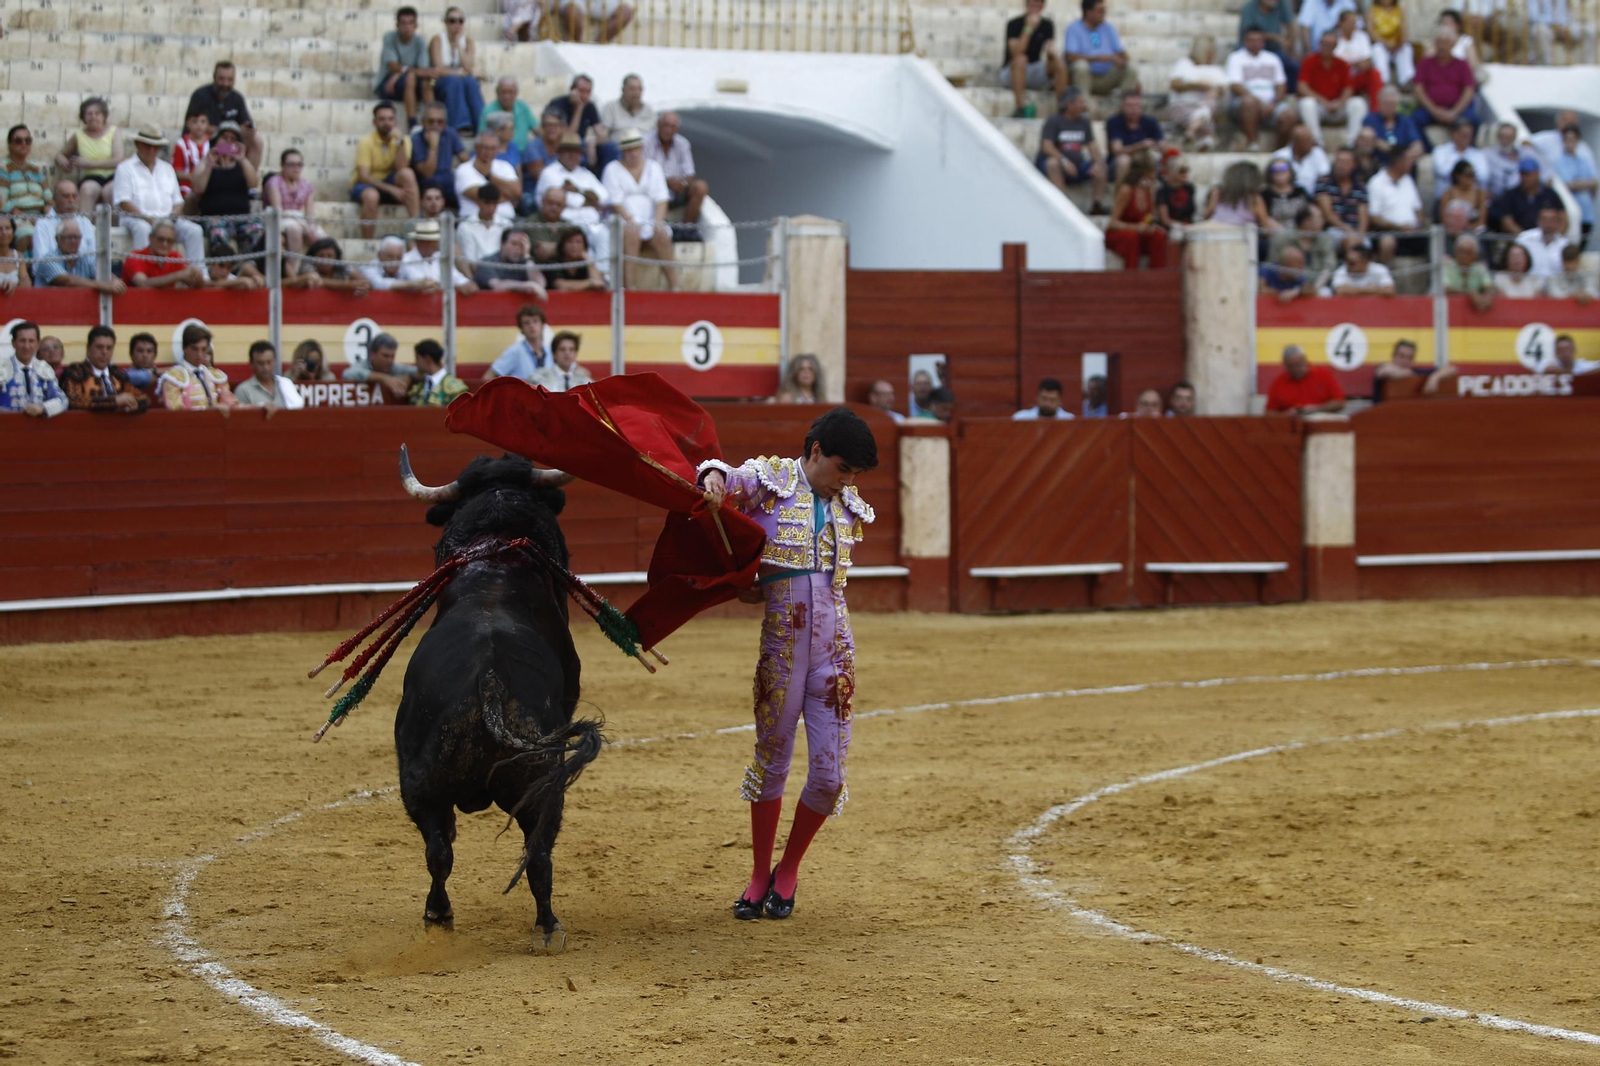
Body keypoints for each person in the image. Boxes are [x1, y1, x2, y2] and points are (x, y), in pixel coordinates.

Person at [697, 406, 878, 922]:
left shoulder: (847, 503)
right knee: (771, 761)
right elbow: (724, 476)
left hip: (834, 651)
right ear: (816, 450)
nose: (846, 482)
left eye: (854, 475)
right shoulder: (772, 480)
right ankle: (759, 876)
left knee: (829, 776)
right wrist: (711, 476)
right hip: (782, 646)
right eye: (843, 469)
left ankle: (789, 868)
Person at [113, 127, 204, 264]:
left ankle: (198, 271)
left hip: (167, 220)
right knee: (143, 228)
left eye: (155, 147)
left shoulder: (167, 168)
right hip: (137, 219)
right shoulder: (125, 168)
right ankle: (143, 271)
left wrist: (170, 219)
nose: (151, 150)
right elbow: (124, 202)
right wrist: (151, 220)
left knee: (194, 230)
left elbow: (178, 201)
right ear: (138, 144)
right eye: (147, 146)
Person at [604, 129, 675, 290]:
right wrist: (629, 219)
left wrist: (658, 221)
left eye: (636, 149)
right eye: (629, 149)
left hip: (650, 217)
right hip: (623, 218)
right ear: (623, 151)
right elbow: (615, 200)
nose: (633, 153)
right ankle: (629, 286)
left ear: (641, 149)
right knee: (631, 233)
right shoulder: (612, 168)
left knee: (662, 234)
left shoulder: (653, 167)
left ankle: (675, 286)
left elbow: (661, 198)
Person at [534, 133, 612, 263]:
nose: (573, 155)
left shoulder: (585, 173)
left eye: (576, 152)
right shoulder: (549, 172)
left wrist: (578, 190)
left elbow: (604, 198)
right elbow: (571, 201)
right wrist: (590, 199)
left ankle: (605, 277)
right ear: (560, 152)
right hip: (566, 226)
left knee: (605, 236)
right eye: (568, 151)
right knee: (585, 250)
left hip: (592, 225)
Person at [192, 121, 264, 254]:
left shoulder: (242, 163)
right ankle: (221, 271)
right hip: (214, 217)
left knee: (257, 229)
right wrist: (210, 165)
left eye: (233, 139)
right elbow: (198, 188)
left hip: (241, 217)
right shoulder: (206, 162)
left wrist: (242, 159)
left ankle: (253, 267)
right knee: (218, 232)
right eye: (225, 137)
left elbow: (253, 183)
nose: (228, 141)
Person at [351, 102, 421, 238]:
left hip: (389, 180)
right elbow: (363, 176)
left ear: (395, 121)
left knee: (408, 174)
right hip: (366, 185)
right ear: (374, 122)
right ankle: (367, 243)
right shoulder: (366, 141)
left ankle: (415, 225)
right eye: (382, 119)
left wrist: (400, 142)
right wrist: (390, 189)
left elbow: (402, 167)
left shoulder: (403, 140)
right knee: (372, 196)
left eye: (390, 119)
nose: (387, 123)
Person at [1036, 88, 1108, 211]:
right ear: (1069, 104)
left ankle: (1097, 204)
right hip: (1058, 164)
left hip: (1077, 165)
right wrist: (1064, 161)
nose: (1084, 106)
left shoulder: (1084, 122)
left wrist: (1098, 163)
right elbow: (1047, 146)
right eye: (1081, 102)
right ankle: (1061, 203)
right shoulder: (1054, 121)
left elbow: (1092, 145)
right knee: (1052, 163)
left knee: (1101, 166)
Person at [1224, 30, 1295, 151]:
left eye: (1258, 40)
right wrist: (1259, 103)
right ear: (1245, 42)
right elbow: (1235, 85)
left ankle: (1280, 150)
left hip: (1271, 104)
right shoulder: (1235, 57)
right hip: (1244, 103)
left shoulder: (1273, 58)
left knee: (1290, 116)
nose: (1255, 43)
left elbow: (1281, 85)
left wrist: (1273, 104)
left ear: (1263, 42)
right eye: (1251, 40)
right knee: (1249, 103)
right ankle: (1253, 143)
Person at [187, 61, 263, 168]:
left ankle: (248, 180)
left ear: (234, 80)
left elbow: (245, 125)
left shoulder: (237, 98)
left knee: (257, 140)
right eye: (221, 79)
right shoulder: (200, 96)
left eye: (229, 79)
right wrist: (227, 131)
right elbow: (194, 126)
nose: (225, 84)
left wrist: (249, 130)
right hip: (207, 144)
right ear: (214, 78)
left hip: (229, 145)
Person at [1298, 30, 1366, 148]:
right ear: (1319, 44)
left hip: (1337, 105)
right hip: (1319, 105)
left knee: (1359, 103)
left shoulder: (1343, 64)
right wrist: (1324, 102)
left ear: (1336, 46)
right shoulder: (1309, 61)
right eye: (1325, 44)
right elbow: (1302, 87)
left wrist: (1340, 103)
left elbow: (1348, 89)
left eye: (1331, 44)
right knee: (1306, 104)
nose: (1327, 47)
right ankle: (1316, 142)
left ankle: (1351, 144)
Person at [54, 97, 124, 210]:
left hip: (113, 176)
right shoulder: (78, 135)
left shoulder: (114, 132)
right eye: (89, 114)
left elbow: (118, 160)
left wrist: (89, 164)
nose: (93, 117)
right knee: (87, 190)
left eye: (97, 113)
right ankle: (86, 224)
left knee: (110, 191)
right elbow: (60, 154)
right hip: (91, 177)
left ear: (104, 116)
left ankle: (114, 227)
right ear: (84, 117)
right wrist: (62, 160)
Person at [1000, 0, 1067, 117]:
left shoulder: (1047, 25)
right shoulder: (1014, 24)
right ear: (1026, 3)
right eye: (1032, 2)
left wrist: (1051, 53)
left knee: (1059, 63)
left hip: (1033, 70)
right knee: (1021, 59)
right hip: (1011, 71)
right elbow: (1016, 52)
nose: (1035, 5)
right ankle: (1020, 107)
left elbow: (1049, 49)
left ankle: (1063, 109)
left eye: (1038, 2)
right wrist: (1028, 29)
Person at [645, 112, 710, 232]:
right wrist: (666, 182)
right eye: (666, 125)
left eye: (673, 126)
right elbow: (644, 173)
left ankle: (685, 229)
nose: (669, 130)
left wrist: (682, 183)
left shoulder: (683, 143)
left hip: (678, 191)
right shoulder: (646, 142)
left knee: (700, 187)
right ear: (658, 125)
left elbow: (690, 173)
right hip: (653, 191)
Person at [376, 6, 438, 125]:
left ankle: (432, 120)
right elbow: (393, 66)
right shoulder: (389, 37)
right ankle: (412, 122)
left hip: (407, 82)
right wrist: (399, 73)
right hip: (389, 85)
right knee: (411, 77)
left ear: (416, 25)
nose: (407, 27)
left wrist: (399, 73)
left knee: (428, 81)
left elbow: (424, 70)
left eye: (410, 23)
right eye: (403, 23)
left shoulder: (420, 41)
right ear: (397, 25)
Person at [1414, 30, 1477, 145]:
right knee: (1414, 121)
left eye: (1445, 42)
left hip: (1456, 109)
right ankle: (1429, 150)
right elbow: (1418, 89)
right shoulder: (1425, 63)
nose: (1442, 46)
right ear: (1435, 44)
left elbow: (1469, 90)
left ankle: (1469, 152)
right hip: (1431, 109)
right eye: (1439, 42)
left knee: (1474, 120)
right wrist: (1434, 110)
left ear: (1452, 44)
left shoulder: (1462, 65)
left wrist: (1454, 112)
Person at [1064, 0, 1138, 98]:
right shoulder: (1074, 28)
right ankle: (1083, 107)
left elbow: (1122, 52)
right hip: (1086, 77)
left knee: (1131, 69)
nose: (1104, 14)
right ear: (1088, 12)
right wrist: (1098, 58)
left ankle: (1124, 107)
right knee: (1081, 67)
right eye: (1100, 11)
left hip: (1107, 75)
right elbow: (1070, 56)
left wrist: (1121, 60)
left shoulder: (1108, 28)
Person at [546, 74, 618, 175]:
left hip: (582, 144)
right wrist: (579, 108)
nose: (584, 95)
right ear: (572, 90)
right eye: (581, 91)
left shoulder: (590, 106)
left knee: (611, 147)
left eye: (588, 92)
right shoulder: (558, 104)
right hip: (564, 145)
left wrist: (593, 143)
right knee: (580, 151)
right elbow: (569, 136)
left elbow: (602, 135)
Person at [1105, 153, 1167, 269]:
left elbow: (1148, 217)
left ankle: (1156, 275)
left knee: (1158, 235)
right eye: (1153, 170)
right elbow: (1112, 223)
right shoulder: (1126, 190)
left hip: (1139, 232)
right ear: (1145, 172)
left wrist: (1150, 226)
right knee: (1131, 237)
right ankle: (1131, 274)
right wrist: (1135, 227)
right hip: (1122, 233)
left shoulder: (1149, 189)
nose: (1156, 173)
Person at [1167, 36, 1227, 152]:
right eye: (1211, 51)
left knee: (1211, 98)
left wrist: (1211, 89)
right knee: (1206, 121)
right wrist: (1199, 85)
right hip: (1183, 106)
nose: (1213, 54)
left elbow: (1221, 91)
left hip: (1207, 107)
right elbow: (1175, 85)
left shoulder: (1215, 69)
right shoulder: (1184, 64)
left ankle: (1191, 131)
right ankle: (1202, 137)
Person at [32, 219, 125, 295]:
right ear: (58, 239)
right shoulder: (48, 260)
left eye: (77, 237)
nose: (74, 241)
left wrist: (114, 280)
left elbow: (103, 274)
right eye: (69, 237)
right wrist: (101, 285)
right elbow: (67, 281)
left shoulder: (86, 258)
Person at [430, 7, 485, 133]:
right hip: (441, 82)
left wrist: (459, 45)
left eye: (460, 21)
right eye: (452, 21)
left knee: (471, 82)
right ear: (446, 23)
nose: (457, 24)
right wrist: (458, 73)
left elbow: (468, 67)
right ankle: (460, 124)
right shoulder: (437, 40)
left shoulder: (468, 41)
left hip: (461, 79)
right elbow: (438, 69)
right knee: (455, 81)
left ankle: (481, 124)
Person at [1367, 144, 1427, 260]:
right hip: (1388, 232)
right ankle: (1383, 276)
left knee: (1436, 237)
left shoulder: (1408, 180)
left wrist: (1419, 223)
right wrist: (1399, 227)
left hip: (1412, 233)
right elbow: (1373, 217)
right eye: (1409, 159)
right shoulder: (1376, 182)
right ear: (1398, 161)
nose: (1412, 163)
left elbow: (1418, 209)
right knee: (1387, 242)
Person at [412, 102, 472, 212]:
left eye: (440, 122)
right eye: (431, 121)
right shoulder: (416, 139)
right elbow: (427, 173)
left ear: (445, 123)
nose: (435, 125)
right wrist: (433, 147)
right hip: (427, 183)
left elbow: (464, 159)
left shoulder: (450, 133)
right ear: (423, 122)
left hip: (449, 183)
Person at [160, 324, 237, 410]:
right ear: (184, 348)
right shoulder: (174, 378)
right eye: (194, 349)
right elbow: (176, 411)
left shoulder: (215, 376)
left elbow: (231, 404)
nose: (199, 354)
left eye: (203, 349)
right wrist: (210, 410)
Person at [1, 321, 68, 417]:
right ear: (13, 343)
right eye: (22, 341)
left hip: (37, 430)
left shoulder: (44, 369)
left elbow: (63, 400)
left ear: (37, 344)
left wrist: (43, 408)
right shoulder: (2, 367)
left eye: (31, 341)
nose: (27, 346)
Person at [264, 149, 326, 254]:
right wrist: (303, 225)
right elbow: (278, 211)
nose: (296, 168)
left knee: (322, 237)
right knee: (294, 229)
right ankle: (293, 267)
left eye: (299, 165)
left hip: (299, 220)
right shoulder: (274, 182)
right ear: (283, 165)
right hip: (279, 220)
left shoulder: (307, 185)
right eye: (291, 165)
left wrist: (310, 227)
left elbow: (310, 213)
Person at [457, 131, 522, 225]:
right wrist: (508, 194)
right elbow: (482, 196)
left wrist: (489, 176)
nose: (489, 152)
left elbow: (517, 192)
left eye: (493, 148)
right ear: (476, 148)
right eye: (485, 148)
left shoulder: (505, 166)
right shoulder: (464, 169)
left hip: (506, 222)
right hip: (474, 222)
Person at [0, 124, 47, 250]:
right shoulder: (3, 168)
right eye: (18, 140)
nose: (24, 144)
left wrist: (49, 217)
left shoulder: (36, 169)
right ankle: (27, 270)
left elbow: (48, 197)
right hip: (15, 217)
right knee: (28, 235)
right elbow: (2, 202)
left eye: (28, 140)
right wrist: (27, 217)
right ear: (10, 144)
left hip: (40, 217)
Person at [1236, 0, 1300, 92]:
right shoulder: (1249, 7)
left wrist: (1290, 45)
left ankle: (1288, 95)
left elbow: (1290, 25)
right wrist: (1276, 38)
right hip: (1251, 46)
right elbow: (1250, 35)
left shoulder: (1281, 3)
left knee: (1293, 66)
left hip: (1274, 48)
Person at [400, 219, 478, 292]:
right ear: (417, 241)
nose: (431, 244)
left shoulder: (442, 259)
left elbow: (465, 284)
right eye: (426, 241)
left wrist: (464, 286)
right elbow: (425, 286)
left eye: (433, 241)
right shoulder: (406, 260)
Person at [1490, 157, 1563, 236]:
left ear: (1537, 174)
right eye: (1522, 174)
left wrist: (1555, 237)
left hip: (1548, 238)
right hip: (1519, 240)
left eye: (1528, 174)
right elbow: (1506, 221)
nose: (1525, 178)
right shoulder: (1510, 195)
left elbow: (1563, 217)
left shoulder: (1549, 194)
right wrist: (1525, 237)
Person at [1105, 91, 1166, 183]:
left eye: (1137, 105)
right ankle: (1120, 193)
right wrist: (1140, 146)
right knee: (1123, 160)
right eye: (1129, 105)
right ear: (1122, 107)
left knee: (1155, 159)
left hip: (1144, 160)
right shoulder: (1114, 122)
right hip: (1117, 164)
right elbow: (1117, 150)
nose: (1133, 109)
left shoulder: (1150, 122)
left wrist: (1156, 146)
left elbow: (1162, 145)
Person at [124, 220, 205, 289]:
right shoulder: (135, 257)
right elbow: (142, 283)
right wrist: (177, 276)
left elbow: (195, 283)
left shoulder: (175, 257)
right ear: (150, 238)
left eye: (169, 241)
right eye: (160, 239)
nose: (165, 244)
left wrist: (196, 275)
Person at [1266, 344, 1345, 413]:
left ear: (1305, 360)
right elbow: (1269, 413)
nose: (1296, 369)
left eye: (1299, 365)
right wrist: (1287, 415)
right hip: (1291, 425)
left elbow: (1339, 403)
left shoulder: (1323, 375)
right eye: (1291, 367)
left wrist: (1316, 409)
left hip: (1321, 422)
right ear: (1285, 365)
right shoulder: (1279, 383)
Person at [1316, 148, 1369, 249]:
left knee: (1365, 245)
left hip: (1356, 231)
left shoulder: (1360, 187)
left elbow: (1363, 216)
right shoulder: (1324, 182)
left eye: (1345, 162)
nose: (1340, 165)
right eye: (1338, 161)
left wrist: (1360, 235)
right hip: (1333, 230)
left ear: (1354, 165)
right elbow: (1328, 214)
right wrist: (1348, 230)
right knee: (1348, 243)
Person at [32, 180, 96, 264]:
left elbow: (93, 258)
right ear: (55, 199)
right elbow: (41, 263)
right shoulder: (43, 225)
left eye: (74, 196)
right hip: (53, 275)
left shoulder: (85, 222)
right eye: (66, 196)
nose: (71, 200)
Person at [1373, 338, 1457, 399]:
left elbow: (1451, 369)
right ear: (1393, 356)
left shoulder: (1416, 372)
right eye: (1402, 356)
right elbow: (1384, 372)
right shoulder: (1383, 368)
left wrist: (1434, 378)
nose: (1405, 361)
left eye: (1410, 358)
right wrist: (1406, 374)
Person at [474, 228, 549, 297]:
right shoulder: (488, 262)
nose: (517, 248)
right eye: (514, 244)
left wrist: (527, 257)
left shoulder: (524, 262)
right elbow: (497, 286)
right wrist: (528, 285)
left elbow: (540, 284)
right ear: (502, 244)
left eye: (521, 245)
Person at [484, 304, 550, 381]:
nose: (532, 326)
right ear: (521, 329)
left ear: (543, 325)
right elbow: (488, 377)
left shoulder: (550, 351)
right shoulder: (514, 351)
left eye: (535, 321)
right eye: (527, 323)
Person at [1554, 126, 1596, 245]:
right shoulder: (1559, 161)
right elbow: (1567, 185)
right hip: (1568, 214)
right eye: (1567, 139)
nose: (1570, 142)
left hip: (1586, 213)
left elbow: (1595, 182)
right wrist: (1585, 184)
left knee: (1583, 244)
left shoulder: (1584, 160)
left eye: (1573, 139)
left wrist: (1578, 184)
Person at [1362, 87, 1423, 169]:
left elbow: (1417, 145)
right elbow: (1366, 138)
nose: (1389, 107)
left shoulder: (1405, 121)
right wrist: (1377, 143)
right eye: (1386, 103)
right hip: (1378, 162)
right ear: (1379, 103)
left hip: (1402, 164)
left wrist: (1406, 155)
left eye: (1392, 104)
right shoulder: (1370, 120)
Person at [234, 340, 306, 409]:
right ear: (251, 364)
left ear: (274, 361)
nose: (266, 367)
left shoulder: (285, 385)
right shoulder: (243, 390)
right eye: (260, 363)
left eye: (269, 362)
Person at [287, 237, 373, 295]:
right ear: (314, 257)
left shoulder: (341, 265)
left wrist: (362, 287)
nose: (325, 260)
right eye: (321, 256)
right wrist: (350, 285)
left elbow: (365, 282)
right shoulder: (308, 264)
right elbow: (318, 281)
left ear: (336, 257)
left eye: (330, 256)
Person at [343, 333, 416, 400]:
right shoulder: (363, 365)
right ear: (372, 354)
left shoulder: (395, 367)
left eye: (392, 356)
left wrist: (408, 377)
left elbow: (417, 371)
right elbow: (348, 373)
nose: (390, 360)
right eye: (385, 356)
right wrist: (384, 378)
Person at [1332, 10, 1380, 109]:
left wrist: (1350, 64)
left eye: (1355, 22)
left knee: (1374, 74)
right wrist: (1357, 63)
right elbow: (1335, 64)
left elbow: (1368, 62)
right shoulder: (1334, 38)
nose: (1353, 25)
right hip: (1339, 79)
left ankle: (1375, 110)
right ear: (1341, 23)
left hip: (1357, 77)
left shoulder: (1362, 36)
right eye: (1350, 22)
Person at [1205, 160, 1271, 227]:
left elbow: (1207, 214)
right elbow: (1265, 224)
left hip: (1216, 231)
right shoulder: (1254, 199)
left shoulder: (1217, 192)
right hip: (1239, 234)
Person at [1271, 125, 1331, 196]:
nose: (1312, 142)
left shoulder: (1318, 153)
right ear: (1297, 142)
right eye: (1308, 140)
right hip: (1288, 196)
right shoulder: (1280, 156)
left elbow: (1325, 176)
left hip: (1314, 197)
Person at [543, 226, 608, 291]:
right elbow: (560, 285)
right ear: (562, 245)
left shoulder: (585, 263)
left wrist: (588, 260)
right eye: (570, 242)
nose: (574, 246)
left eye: (578, 242)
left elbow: (599, 283)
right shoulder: (553, 262)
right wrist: (590, 283)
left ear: (584, 246)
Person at [457, 184, 509, 264]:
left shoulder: (506, 225)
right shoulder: (465, 226)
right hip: (477, 271)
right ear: (478, 202)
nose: (491, 208)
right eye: (487, 203)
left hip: (502, 271)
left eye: (494, 203)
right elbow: (470, 260)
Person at [1367, 0, 1414, 89]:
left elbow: (1404, 29)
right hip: (1381, 43)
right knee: (1377, 49)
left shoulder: (1399, 10)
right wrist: (1384, 42)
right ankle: (1384, 81)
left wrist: (1401, 41)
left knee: (1406, 48)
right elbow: (1371, 32)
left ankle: (1406, 80)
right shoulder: (1372, 10)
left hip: (1396, 45)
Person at [481, 76, 539, 147]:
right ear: (497, 93)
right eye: (503, 92)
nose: (507, 96)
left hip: (524, 154)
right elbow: (482, 138)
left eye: (510, 92)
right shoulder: (488, 111)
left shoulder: (522, 107)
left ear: (516, 93)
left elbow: (537, 129)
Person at [408, 339, 468, 406]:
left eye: (417, 358)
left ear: (428, 359)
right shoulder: (420, 387)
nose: (416, 363)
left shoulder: (454, 388)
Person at [1444, 234, 1495, 310]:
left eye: (1468, 252)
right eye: (1461, 251)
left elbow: (1489, 286)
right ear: (1455, 252)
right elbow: (1446, 289)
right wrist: (1470, 293)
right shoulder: (1447, 267)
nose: (1464, 255)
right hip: (1448, 309)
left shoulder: (1480, 268)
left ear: (1475, 255)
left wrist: (1488, 297)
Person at [1515, 205, 1569, 277]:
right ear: (1538, 221)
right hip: (1529, 284)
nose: (1548, 223)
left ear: (1558, 222)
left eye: (1552, 220)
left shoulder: (1565, 244)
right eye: (1544, 219)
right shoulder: (1524, 239)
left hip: (1556, 285)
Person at [1261, 157, 1310, 236]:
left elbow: (1309, 213)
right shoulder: (1264, 193)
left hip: (1300, 233)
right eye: (1274, 169)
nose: (1279, 171)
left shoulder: (1300, 192)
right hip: (1273, 234)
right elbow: (1264, 218)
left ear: (1290, 172)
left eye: (1283, 168)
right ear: (1269, 173)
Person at [1485, 122, 1534, 200]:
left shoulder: (1525, 153)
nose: (1505, 141)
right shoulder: (1487, 155)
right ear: (1497, 137)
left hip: (1523, 197)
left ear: (1514, 138)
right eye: (1502, 136)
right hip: (1498, 198)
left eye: (1509, 137)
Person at [173, 109, 211, 204]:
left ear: (207, 124)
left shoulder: (212, 143)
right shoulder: (181, 144)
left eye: (203, 122)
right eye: (195, 122)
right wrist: (194, 177)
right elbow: (177, 171)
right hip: (187, 185)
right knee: (190, 197)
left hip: (209, 183)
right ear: (188, 124)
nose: (199, 125)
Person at [602, 74, 657, 138]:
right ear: (623, 90)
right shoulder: (611, 107)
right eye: (632, 89)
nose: (636, 93)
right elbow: (603, 134)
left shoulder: (649, 110)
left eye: (639, 89)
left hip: (644, 146)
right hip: (619, 146)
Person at [1438, 160, 1488, 229]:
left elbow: (1482, 221)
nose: (1472, 178)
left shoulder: (1480, 194)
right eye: (1468, 175)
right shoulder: (1448, 194)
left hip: (1473, 232)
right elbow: (1443, 219)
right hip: (1452, 231)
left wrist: (1467, 229)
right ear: (1458, 176)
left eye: (1473, 174)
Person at [1330, 242, 1395, 294]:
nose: (1347, 265)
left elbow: (1389, 290)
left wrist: (1351, 290)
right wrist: (1370, 290)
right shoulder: (1341, 271)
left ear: (1365, 261)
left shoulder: (1379, 269)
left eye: (1352, 263)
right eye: (1346, 261)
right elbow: (1339, 291)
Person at [1156, 154, 1197, 234]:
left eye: (1186, 170)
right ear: (1171, 171)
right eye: (1181, 171)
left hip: (1189, 227)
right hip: (1170, 230)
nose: (1185, 174)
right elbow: (1165, 220)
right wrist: (1180, 226)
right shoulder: (1162, 191)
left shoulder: (1189, 188)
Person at [124, 333, 162, 399]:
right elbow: (140, 377)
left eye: (149, 351)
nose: (145, 355)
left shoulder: (163, 375)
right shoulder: (125, 376)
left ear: (155, 355)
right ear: (131, 354)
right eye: (140, 351)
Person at [0, 215, 31, 294]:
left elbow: (26, 284)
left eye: (7, 228)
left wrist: (15, 286)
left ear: (13, 232)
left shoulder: (18, 256)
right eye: (0, 229)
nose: (4, 232)